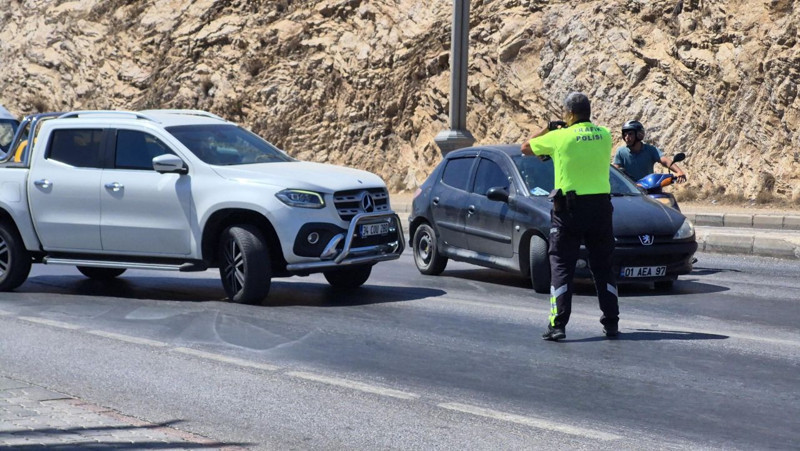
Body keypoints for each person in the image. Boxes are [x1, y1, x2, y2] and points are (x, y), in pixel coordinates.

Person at [521, 92, 619, 341]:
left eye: (565, 113)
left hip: (569, 211)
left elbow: (525, 147)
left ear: (570, 114)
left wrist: (547, 128)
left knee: (562, 266)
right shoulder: (605, 135)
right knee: (603, 266)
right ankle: (611, 323)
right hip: (600, 209)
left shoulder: (558, 136)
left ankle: (558, 325)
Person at [612, 120, 687, 183]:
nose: (627, 137)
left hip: (649, 187)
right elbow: (615, 171)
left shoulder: (650, 150)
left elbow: (664, 160)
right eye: (625, 135)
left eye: (630, 134)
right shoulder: (621, 152)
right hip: (630, 191)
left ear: (639, 135)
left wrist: (679, 172)